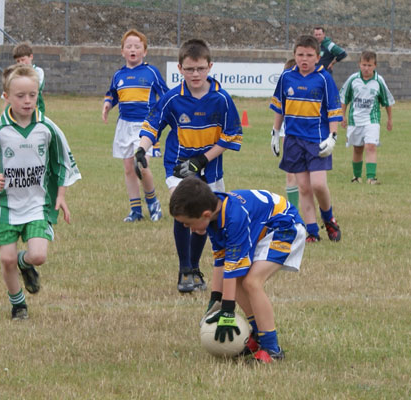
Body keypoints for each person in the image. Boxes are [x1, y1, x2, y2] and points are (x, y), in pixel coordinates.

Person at [0, 64, 81, 320]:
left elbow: (62, 162)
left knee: (38, 255)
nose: (28, 101)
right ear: (6, 97)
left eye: (33, 95)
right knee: (6, 259)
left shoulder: (47, 127)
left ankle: (25, 263)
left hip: (37, 203)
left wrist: (61, 196)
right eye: (20, 96)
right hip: (5, 206)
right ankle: (18, 305)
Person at [135, 38, 243, 293]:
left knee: (203, 219)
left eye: (200, 68)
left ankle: (194, 267)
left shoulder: (222, 99)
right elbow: (153, 125)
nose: (195, 74)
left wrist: (203, 160)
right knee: (184, 212)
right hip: (178, 165)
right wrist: (142, 148)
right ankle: (184, 269)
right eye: (189, 69)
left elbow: (231, 136)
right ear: (180, 69)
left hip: (210, 168)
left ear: (210, 66)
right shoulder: (173, 99)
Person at [170, 177, 306, 363]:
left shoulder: (234, 218)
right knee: (241, 280)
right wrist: (215, 299)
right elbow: (221, 260)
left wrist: (227, 312)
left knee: (251, 282)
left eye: (187, 223)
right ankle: (258, 335)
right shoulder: (214, 217)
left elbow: (231, 270)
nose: (186, 228)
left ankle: (272, 348)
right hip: (266, 229)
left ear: (206, 214)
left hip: (285, 227)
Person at [270, 35, 343, 243]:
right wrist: (275, 133)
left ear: (317, 57)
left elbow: (333, 110)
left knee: (318, 184)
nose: (304, 59)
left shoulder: (324, 78)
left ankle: (329, 219)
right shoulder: (286, 77)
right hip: (293, 140)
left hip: (317, 140)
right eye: (300, 55)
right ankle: (312, 231)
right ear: (294, 55)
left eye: (309, 55)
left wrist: (333, 137)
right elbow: (279, 106)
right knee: (303, 186)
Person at [102, 29, 168, 222]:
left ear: (144, 51)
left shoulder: (151, 72)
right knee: (129, 168)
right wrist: (107, 104)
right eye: (129, 46)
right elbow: (112, 94)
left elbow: (165, 95)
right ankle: (135, 211)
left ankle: (154, 205)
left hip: (145, 127)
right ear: (122, 51)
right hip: (124, 125)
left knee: (143, 166)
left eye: (137, 46)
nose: (133, 49)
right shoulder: (118, 75)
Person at [340, 50, 394, 184]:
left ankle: (371, 178)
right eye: (364, 65)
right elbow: (344, 99)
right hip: (355, 120)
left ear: (375, 65)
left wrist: (389, 119)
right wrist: (342, 115)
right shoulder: (353, 80)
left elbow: (387, 101)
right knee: (357, 148)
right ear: (359, 64)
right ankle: (356, 177)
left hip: (372, 120)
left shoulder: (378, 81)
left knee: (371, 146)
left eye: (369, 65)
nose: (366, 68)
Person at [271, 58, 299, 209]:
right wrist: (275, 133)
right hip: (287, 132)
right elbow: (279, 110)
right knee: (290, 172)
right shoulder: (284, 89)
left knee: (306, 176)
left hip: (308, 134)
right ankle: (294, 209)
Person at [11, 42, 46, 113]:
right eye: (18, 61)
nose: (21, 63)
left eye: (23, 59)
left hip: (37, 109)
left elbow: (37, 86)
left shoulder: (38, 71)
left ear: (31, 57)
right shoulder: (14, 74)